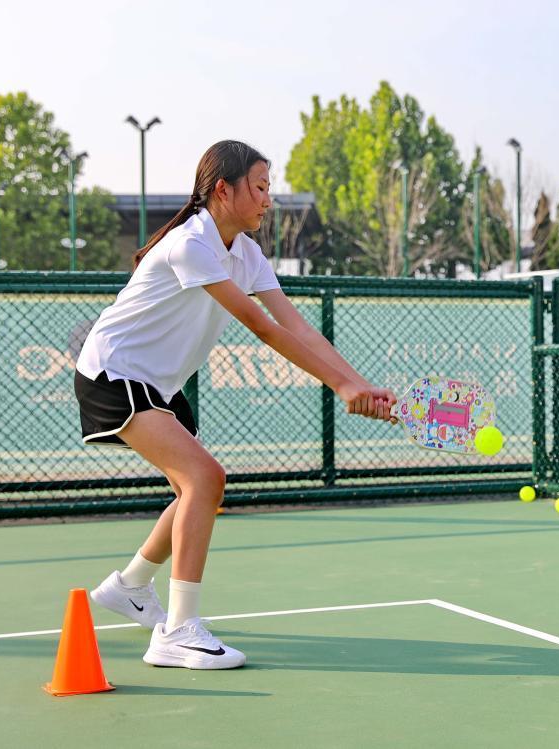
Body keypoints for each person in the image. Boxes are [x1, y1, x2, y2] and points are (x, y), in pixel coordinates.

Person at [76, 140, 395, 669]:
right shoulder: (191, 244)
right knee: (206, 479)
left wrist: (360, 383)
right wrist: (341, 387)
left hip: (159, 382)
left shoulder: (246, 252)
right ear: (223, 190)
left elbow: (296, 325)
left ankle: (130, 586)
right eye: (261, 187)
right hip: (115, 373)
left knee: (191, 490)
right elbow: (262, 327)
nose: (269, 200)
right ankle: (177, 632)